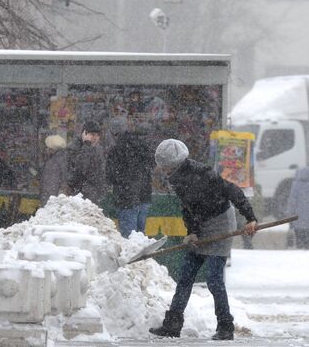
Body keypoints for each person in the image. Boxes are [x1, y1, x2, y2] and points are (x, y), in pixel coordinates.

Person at [149, 139, 258, 340]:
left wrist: (250, 218)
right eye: (162, 166)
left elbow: (232, 190)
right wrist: (193, 231)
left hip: (220, 223)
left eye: (167, 166)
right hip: (201, 224)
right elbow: (188, 208)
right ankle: (172, 324)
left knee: (214, 280)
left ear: (176, 163)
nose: (164, 170)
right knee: (185, 277)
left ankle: (226, 327)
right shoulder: (176, 178)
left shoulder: (202, 173)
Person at [105, 117, 155, 238]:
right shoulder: (141, 144)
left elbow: (110, 176)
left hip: (126, 198)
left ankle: (132, 257)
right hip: (144, 196)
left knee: (129, 238)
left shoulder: (116, 150)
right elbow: (152, 163)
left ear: (114, 132)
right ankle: (142, 256)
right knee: (140, 237)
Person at [67, 121, 107, 204]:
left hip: (94, 195)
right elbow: (81, 169)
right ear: (84, 134)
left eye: (97, 135)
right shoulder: (75, 148)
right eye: (92, 134)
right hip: (80, 196)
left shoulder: (97, 149)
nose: (95, 138)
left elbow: (100, 172)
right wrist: (87, 144)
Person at [40, 135, 68, 205]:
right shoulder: (65, 158)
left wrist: (46, 203)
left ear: (51, 149)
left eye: (47, 148)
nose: (45, 150)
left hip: (53, 202)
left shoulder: (52, 163)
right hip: (62, 200)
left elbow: (50, 186)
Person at [286, 167, 309, 249]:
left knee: (300, 245)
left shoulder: (296, 184)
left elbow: (292, 201)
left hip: (299, 221)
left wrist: (290, 214)